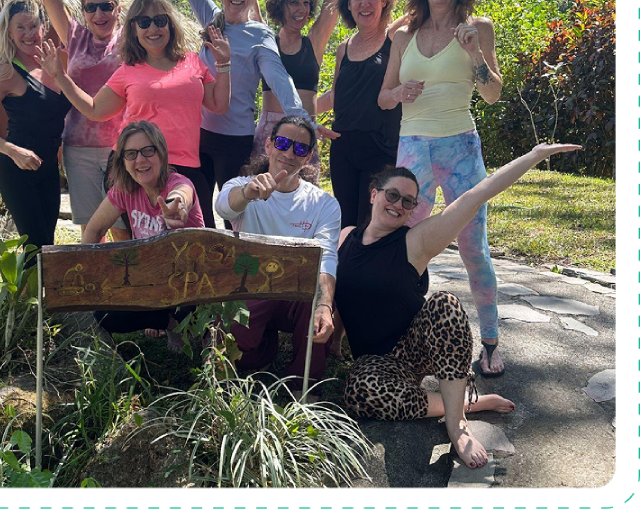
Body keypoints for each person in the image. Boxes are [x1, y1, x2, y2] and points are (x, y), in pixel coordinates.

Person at [335, 143, 580, 468]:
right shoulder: (346, 237)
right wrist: (334, 338)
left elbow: (475, 195)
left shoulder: (415, 242)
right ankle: (464, 401)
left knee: (445, 304)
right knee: (358, 391)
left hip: (412, 350)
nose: (398, 205)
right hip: (373, 364)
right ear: (374, 194)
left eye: (408, 202)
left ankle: (456, 422)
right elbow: (339, 290)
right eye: (392, 195)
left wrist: (535, 156)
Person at [165, 0, 337, 228]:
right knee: (199, 216)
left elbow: (280, 80)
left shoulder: (260, 36)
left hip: (236, 139)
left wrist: (304, 121)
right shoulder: (211, 18)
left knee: (236, 216)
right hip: (198, 135)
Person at [378, 0, 505, 376]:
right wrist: (398, 94)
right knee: (407, 248)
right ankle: (402, 339)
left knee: (474, 249)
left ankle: (489, 342)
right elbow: (383, 96)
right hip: (413, 147)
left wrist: (474, 56)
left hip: (461, 147)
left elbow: (492, 93)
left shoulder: (477, 29)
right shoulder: (402, 35)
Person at [34, 0, 230, 229]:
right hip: (138, 168)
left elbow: (219, 105)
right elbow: (95, 110)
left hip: (186, 167)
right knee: (141, 246)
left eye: (159, 20)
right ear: (134, 29)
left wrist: (224, 64)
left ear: (170, 24)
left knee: (201, 241)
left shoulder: (192, 61)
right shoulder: (128, 70)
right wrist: (61, 77)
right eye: (144, 22)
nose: (153, 28)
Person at [0, 0, 128, 241]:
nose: (99, 13)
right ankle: (96, 293)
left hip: (120, 146)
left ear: (117, 9)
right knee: (92, 230)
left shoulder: (129, 39)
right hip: (78, 147)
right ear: (83, 12)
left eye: (106, 6)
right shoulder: (75, 37)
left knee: (124, 230)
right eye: (91, 7)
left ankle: (128, 292)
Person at [221, 0, 359, 177]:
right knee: (262, 202)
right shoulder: (265, 38)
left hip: (305, 130)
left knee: (303, 205)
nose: (302, 9)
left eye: (306, 2)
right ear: (280, 4)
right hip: (270, 131)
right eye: (294, 2)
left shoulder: (314, 41)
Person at [215, 115, 341, 396]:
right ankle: (264, 345)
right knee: (244, 356)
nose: (288, 153)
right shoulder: (241, 184)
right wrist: (247, 193)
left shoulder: (323, 204)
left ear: (308, 157)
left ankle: (303, 387)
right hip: (250, 290)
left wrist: (324, 306)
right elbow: (224, 207)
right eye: (283, 143)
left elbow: (326, 256)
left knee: (317, 303)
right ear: (269, 145)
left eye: (299, 149)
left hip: (295, 294)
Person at [322, 0, 430, 230]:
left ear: (384, 0)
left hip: (380, 151)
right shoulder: (343, 48)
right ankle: (342, 281)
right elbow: (335, 97)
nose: (365, 3)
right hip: (342, 151)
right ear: (349, 3)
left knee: (373, 227)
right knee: (345, 228)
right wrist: (293, 113)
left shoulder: (394, 37)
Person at [0, 0, 72, 254]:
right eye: (20, 28)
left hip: (48, 169)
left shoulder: (58, 62)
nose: (28, 34)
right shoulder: (5, 71)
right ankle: (26, 295)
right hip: (17, 170)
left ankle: (39, 294)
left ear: (44, 27)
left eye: (33, 26)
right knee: (34, 245)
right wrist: (12, 150)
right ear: (10, 32)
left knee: (47, 243)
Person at [85, 120, 205, 350]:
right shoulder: (124, 189)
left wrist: (176, 208)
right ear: (123, 161)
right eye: (131, 154)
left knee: (188, 309)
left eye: (148, 150)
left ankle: (182, 325)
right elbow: (94, 229)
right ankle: (166, 322)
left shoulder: (179, 183)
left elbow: (182, 195)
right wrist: (87, 271)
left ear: (161, 153)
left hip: (189, 281)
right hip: (149, 279)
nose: (140, 160)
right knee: (106, 315)